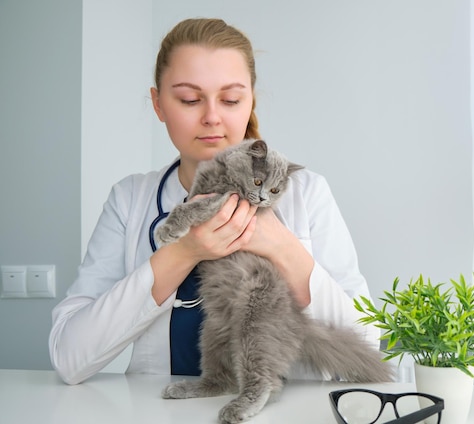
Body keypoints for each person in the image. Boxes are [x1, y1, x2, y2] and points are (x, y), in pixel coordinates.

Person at [49, 18, 379, 385]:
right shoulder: (130, 199)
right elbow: (69, 356)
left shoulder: (306, 193)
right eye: (189, 99)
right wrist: (182, 253)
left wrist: (282, 246)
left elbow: (366, 344)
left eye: (231, 99)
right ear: (158, 104)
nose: (211, 117)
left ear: (250, 100)